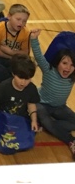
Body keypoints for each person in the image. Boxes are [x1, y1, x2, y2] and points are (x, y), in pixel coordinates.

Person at [30, 29, 75, 160]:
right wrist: (34, 39)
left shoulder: (72, 77)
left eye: (72, 65)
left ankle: (49, 126)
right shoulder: (49, 69)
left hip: (60, 107)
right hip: (41, 104)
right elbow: (38, 56)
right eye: (64, 63)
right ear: (57, 62)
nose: (68, 68)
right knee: (44, 117)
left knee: (53, 123)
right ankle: (71, 140)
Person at [0, 55, 39, 143]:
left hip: (17, 118)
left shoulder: (32, 88)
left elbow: (31, 104)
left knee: (31, 129)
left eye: (27, 79)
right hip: (1, 116)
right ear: (13, 74)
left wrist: (34, 121)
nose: (23, 82)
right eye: (20, 78)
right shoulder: (4, 86)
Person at [0, 4, 31, 82]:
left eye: (24, 21)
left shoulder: (26, 33)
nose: (21, 23)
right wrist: (9, 56)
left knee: (28, 66)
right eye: (18, 19)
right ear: (9, 16)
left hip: (15, 58)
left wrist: (11, 52)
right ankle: (12, 81)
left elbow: (25, 53)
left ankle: (1, 76)